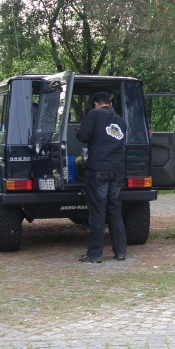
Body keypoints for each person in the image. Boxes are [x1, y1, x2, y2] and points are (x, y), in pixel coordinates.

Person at [75, 91, 128, 263]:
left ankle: (95, 254)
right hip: (118, 170)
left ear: (96, 103)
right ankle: (120, 252)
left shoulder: (94, 114)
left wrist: (79, 130)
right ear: (110, 104)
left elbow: (83, 136)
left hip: (99, 169)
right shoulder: (120, 120)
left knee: (98, 211)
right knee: (114, 210)